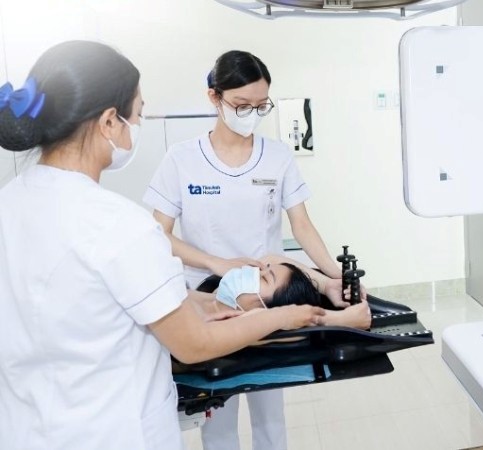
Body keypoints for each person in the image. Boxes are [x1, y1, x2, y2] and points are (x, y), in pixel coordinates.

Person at [0, 41, 325, 450]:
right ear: (109, 122)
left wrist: (218, 299)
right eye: (138, 114)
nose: (138, 124)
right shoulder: (122, 224)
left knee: (270, 418)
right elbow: (194, 343)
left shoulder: (9, 204)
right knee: (220, 423)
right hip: (113, 431)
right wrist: (282, 316)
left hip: (28, 430)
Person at [142, 50, 361, 450]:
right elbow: (159, 235)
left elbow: (302, 226)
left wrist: (335, 276)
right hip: (209, 300)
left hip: (266, 300)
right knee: (218, 415)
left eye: (261, 106)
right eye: (242, 105)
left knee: (270, 414)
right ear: (214, 97)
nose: (251, 115)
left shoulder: (277, 156)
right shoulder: (182, 159)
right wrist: (215, 263)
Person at [201, 255, 372, 330]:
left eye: (264, 278)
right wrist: (324, 284)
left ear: (262, 311)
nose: (252, 270)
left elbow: (287, 322)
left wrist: (339, 318)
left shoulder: (223, 326)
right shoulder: (206, 303)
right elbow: (272, 259)